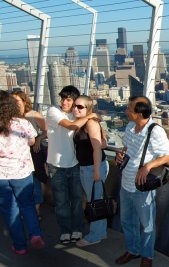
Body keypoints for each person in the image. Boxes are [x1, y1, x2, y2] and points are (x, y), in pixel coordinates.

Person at [115, 96, 169, 267]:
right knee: (127, 220)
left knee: (147, 225)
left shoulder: (155, 131)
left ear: (139, 113)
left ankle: (147, 256)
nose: (126, 111)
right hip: (126, 183)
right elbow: (126, 147)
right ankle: (133, 250)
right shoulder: (130, 126)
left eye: (129, 109)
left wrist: (148, 166)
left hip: (142, 187)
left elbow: (167, 155)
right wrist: (120, 154)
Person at [46, 85, 98, 244]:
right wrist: (91, 116)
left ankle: (77, 229)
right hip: (56, 166)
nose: (64, 102)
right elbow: (71, 126)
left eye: (68, 100)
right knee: (61, 201)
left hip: (75, 164)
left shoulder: (77, 114)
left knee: (76, 200)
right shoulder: (54, 111)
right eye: (63, 99)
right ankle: (65, 230)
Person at [0, 91, 45, 255]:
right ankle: (35, 234)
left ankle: (19, 246)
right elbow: (33, 141)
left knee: (10, 210)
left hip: (1, 176)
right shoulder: (22, 123)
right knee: (27, 204)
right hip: (22, 172)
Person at [72, 95, 109, 247]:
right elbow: (103, 144)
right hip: (87, 167)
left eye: (80, 107)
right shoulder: (82, 123)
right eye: (75, 105)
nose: (75, 108)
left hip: (93, 167)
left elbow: (97, 149)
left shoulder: (91, 123)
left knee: (95, 202)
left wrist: (96, 172)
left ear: (88, 109)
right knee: (95, 200)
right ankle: (100, 231)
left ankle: (96, 235)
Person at [11, 91, 48, 219]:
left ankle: (36, 209)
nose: (15, 104)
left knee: (35, 179)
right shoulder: (10, 117)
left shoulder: (33, 115)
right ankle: (26, 208)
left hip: (34, 150)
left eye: (17, 101)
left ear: (24, 101)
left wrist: (38, 139)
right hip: (18, 153)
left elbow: (47, 131)